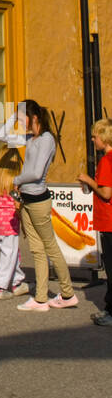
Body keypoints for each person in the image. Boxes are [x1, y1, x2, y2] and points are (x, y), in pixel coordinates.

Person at [10, 99, 78, 311]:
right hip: (26, 201)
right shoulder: (31, 138)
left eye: (22, 118)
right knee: (37, 250)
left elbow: (37, 172)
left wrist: (16, 180)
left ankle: (67, 294)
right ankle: (40, 298)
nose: (19, 121)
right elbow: (4, 136)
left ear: (35, 117)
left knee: (50, 247)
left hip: (39, 200)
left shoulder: (47, 139)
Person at [78, 118, 112, 327]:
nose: (92, 140)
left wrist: (89, 181)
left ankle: (110, 310)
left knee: (111, 268)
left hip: (108, 221)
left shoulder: (106, 161)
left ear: (103, 137)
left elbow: (107, 193)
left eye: (94, 136)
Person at [0, 148, 29, 299]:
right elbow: (16, 205)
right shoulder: (15, 180)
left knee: (10, 250)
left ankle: (17, 281)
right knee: (9, 252)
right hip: (10, 218)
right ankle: (0, 286)